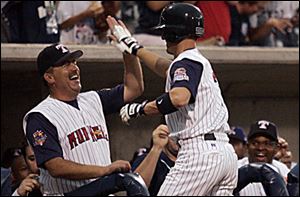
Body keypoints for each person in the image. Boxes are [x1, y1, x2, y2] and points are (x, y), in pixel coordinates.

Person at [106, 2, 237, 195]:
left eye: (166, 31)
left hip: (200, 153)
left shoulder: (187, 62)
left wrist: (140, 109)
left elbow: (178, 98)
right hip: (225, 154)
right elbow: (165, 68)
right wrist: (134, 48)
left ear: (175, 33)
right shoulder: (196, 60)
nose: (164, 37)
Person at [23, 43, 144, 195]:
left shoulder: (94, 99)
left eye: (74, 62)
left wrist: (128, 49)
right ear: (49, 77)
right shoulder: (40, 116)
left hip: (103, 191)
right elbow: (56, 166)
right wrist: (104, 170)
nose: (74, 68)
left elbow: (134, 88)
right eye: (66, 64)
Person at [237, 120, 290, 196]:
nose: (260, 148)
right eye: (255, 143)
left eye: (267, 144)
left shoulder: (283, 170)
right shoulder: (236, 168)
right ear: (247, 146)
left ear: (276, 148)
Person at [131, 124, 178, 196]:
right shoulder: (152, 158)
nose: (179, 136)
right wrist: (157, 147)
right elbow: (135, 189)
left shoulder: (193, 162)